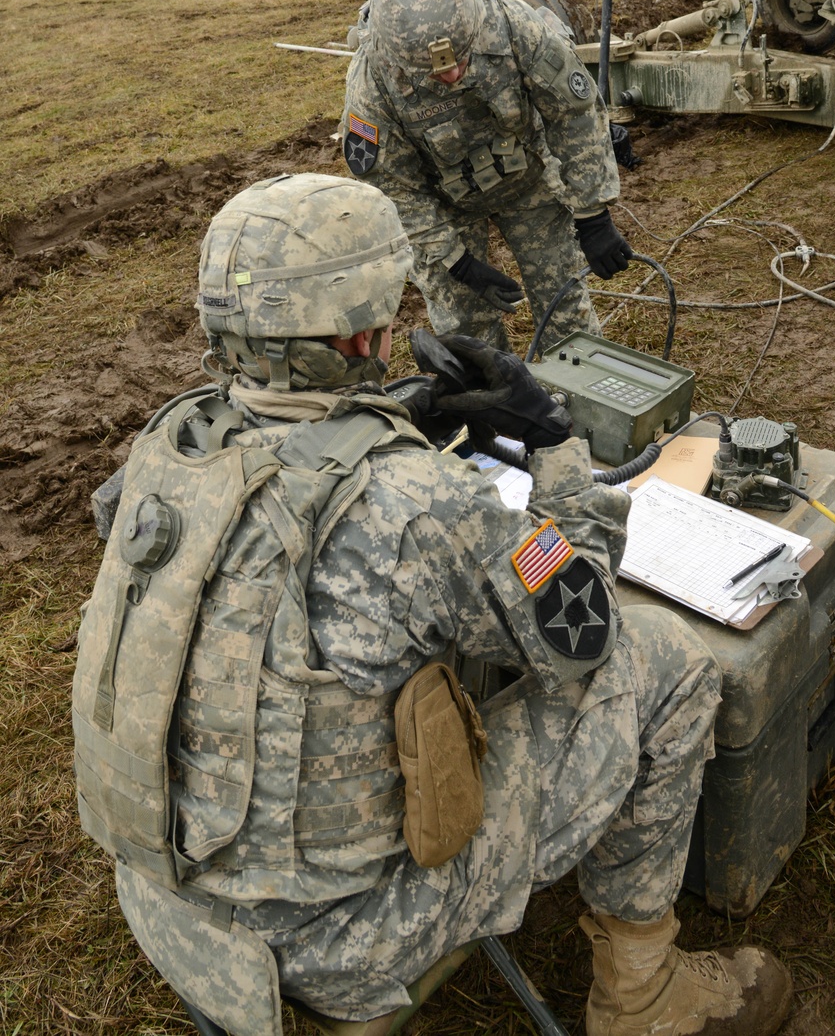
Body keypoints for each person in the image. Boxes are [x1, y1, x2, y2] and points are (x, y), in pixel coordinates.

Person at [72, 173, 792, 1036]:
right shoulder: (419, 509)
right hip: (334, 941)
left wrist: (384, 415)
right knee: (667, 664)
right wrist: (555, 446)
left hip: (165, 896)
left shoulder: (164, 447)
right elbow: (582, 627)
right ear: (364, 331)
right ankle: (645, 997)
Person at [341, 0, 634, 353]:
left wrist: (593, 214)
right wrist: (458, 261)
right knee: (465, 331)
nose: (453, 74)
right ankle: (492, 410)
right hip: (444, 207)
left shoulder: (512, 22)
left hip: (527, 179)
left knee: (565, 308)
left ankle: (580, 407)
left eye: (460, 58)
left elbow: (574, 112)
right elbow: (393, 191)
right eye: (436, 71)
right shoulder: (371, 85)